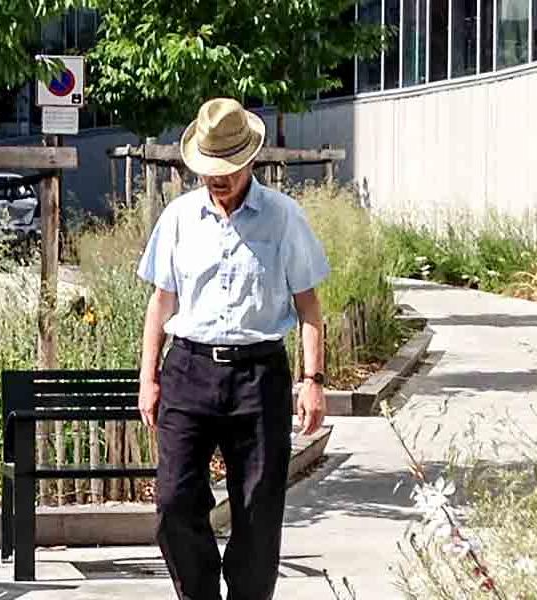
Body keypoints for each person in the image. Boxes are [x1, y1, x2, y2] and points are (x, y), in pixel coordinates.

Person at [135, 98, 330, 600]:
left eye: (226, 169)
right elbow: (161, 302)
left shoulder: (284, 218)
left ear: (250, 161)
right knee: (175, 501)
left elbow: (308, 306)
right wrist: (148, 378)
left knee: (258, 511)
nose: (216, 179)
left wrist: (314, 382)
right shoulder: (179, 217)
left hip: (258, 376)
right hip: (189, 370)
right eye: (208, 169)